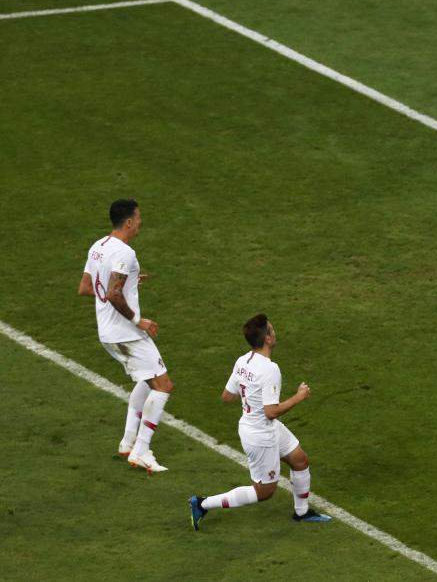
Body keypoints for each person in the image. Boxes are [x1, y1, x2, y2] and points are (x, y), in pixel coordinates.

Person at [189, 314, 330, 530]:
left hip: (261, 427)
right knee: (264, 491)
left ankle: (302, 513)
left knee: (300, 460)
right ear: (267, 339)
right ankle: (202, 503)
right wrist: (299, 396)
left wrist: (248, 390)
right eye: (272, 330)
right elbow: (271, 412)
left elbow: (227, 397)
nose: (275, 332)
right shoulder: (270, 369)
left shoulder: (242, 361)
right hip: (260, 435)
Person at [78, 199, 173, 473]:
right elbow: (113, 293)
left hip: (107, 332)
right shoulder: (125, 253)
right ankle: (141, 451)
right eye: (138, 218)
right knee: (163, 385)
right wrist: (138, 320)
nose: (141, 222)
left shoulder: (98, 247)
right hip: (125, 332)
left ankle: (127, 441)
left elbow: (86, 287)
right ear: (129, 222)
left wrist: (130, 280)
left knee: (146, 380)